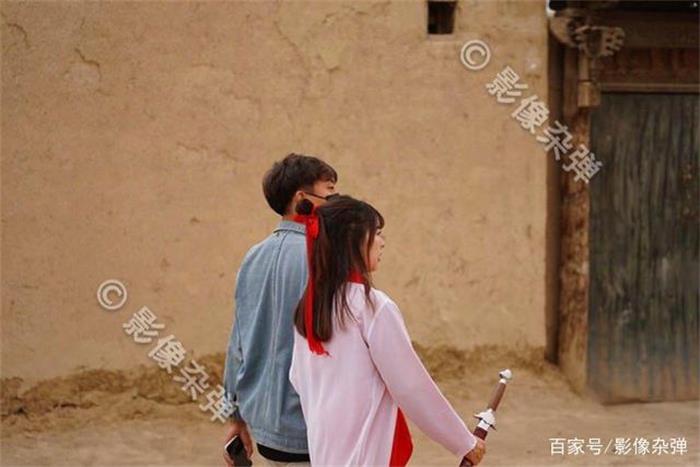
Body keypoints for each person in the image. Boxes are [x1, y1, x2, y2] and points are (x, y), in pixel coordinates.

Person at [289, 195, 487, 466]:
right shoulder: (371, 306)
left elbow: (297, 379)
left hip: (325, 454)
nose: (382, 242)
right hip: (365, 457)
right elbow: (411, 386)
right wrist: (463, 442)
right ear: (354, 241)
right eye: (377, 233)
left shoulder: (311, 307)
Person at [223, 153, 338, 466]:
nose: (334, 202)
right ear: (302, 198)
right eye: (329, 192)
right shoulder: (325, 259)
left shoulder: (253, 257)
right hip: (311, 430)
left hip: (265, 430)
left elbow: (237, 344)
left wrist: (234, 417)